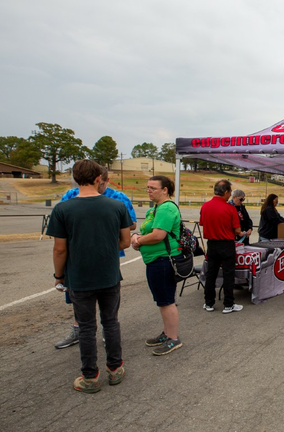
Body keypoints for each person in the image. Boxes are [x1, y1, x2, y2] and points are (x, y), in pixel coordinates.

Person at [45, 160, 132, 393]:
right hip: (109, 274)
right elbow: (125, 242)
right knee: (111, 322)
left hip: (80, 277)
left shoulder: (62, 209)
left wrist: (59, 276)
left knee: (86, 327)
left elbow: (59, 249)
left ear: (75, 179)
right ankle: (115, 369)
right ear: (98, 179)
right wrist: (103, 248)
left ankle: (90, 376)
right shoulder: (116, 206)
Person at [54, 166, 137, 350]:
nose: (100, 188)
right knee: (79, 302)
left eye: (103, 185)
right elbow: (60, 227)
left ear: (105, 181)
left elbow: (131, 224)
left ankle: (108, 336)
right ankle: (78, 330)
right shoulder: (70, 196)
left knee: (108, 303)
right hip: (77, 258)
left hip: (106, 256)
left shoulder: (118, 199)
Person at [130, 176, 184, 356]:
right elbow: (147, 231)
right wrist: (137, 236)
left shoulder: (167, 208)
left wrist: (138, 241)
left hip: (163, 261)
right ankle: (167, 333)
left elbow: (158, 235)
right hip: (155, 260)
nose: (149, 190)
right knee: (162, 300)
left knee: (167, 301)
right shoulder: (156, 209)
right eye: (147, 187)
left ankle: (173, 338)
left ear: (165, 190)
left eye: (153, 187)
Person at [200, 180, 244, 313]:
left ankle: (209, 303)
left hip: (212, 244)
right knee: (228, 274)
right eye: (230, 192)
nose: (230, 195)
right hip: (226, 244)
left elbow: (202, 223)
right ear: (226, 192)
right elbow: (237, 230)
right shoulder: (230, 208)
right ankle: (228, 304)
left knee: (211, 274)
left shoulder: (205, 206)